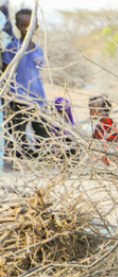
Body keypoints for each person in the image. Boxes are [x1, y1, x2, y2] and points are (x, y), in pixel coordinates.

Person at [1, 8, 50, 162]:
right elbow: (5, 71)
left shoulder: (38, 50)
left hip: (37, 97)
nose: (26, 29)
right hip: (18, 97)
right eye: (22, 25)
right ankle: (18, 161)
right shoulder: (12, 48)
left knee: (42, 130)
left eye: (29, 25)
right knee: (18, 132)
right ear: (17, 26)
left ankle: (44, 158)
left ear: (36, 26)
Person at [89, 95, 118, 165]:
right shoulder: (105, 123)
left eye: (92, 108)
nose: (90, 111)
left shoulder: (104, 124)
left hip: (109, 162)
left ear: (99, 109)